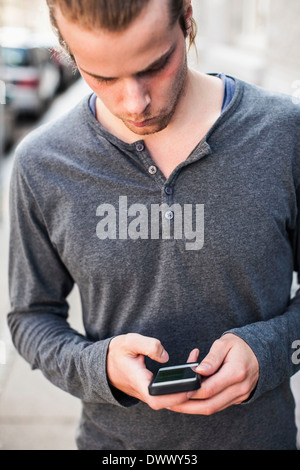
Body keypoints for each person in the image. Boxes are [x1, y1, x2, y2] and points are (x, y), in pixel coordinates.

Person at [7, 0, 300, 450]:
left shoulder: (285, 136)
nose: (135, 101)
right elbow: (31, 318)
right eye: (102, 76)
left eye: (156, 64)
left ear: (186, 16)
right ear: (66, 52)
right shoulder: (41, 164)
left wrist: (272, 350)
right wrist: (98, 367)